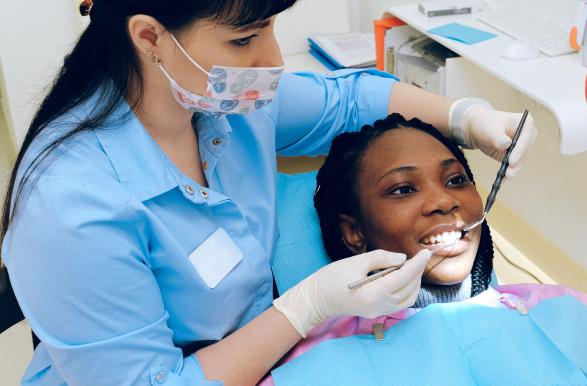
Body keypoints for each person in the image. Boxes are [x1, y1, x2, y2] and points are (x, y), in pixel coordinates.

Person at [0, 1, 538, 385]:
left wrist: (468, 119)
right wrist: (305, 308)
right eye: (243, 40)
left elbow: (348, 102)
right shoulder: (69, 205)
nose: (271, 59)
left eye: (271, 28)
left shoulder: (229, 105)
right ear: (150, 36)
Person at [259, 114, 587, 385]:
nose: (444, 199)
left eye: (456, 179)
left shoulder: (572, 315)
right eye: (402, 189)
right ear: (353, 234)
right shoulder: (314, 368)